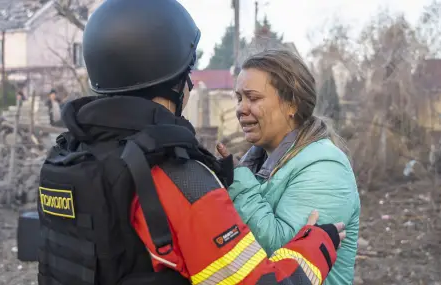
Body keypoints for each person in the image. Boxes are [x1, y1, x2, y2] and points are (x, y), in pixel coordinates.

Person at [36, 1, 346, 285]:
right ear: (175, 82)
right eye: (188, 73)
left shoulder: (67, 158)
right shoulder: (181, 179)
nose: (191, 83)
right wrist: (316, 245)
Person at [216, 49, 361, 285]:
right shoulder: (257, 163)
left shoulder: (325, 167)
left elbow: (285, 257)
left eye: (253, 98)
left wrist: (237, 182)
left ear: (291, 104)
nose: (241, 108)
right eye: (239, 98)